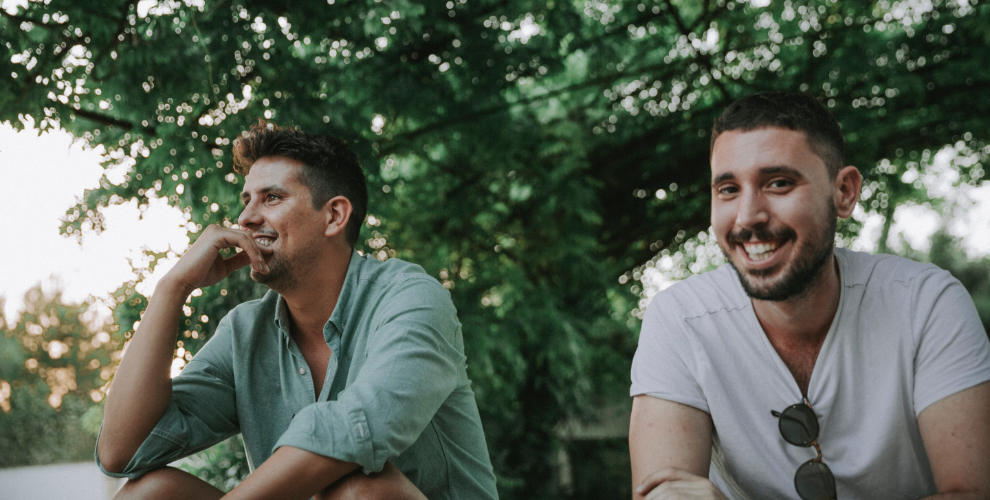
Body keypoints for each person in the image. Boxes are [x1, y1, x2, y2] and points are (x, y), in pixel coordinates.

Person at [96, 121, 499, 500]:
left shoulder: (411, 298)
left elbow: (356, 429)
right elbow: (124, 453)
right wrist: (171, 289)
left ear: (334, 216)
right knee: (151, 493)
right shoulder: (245, 332)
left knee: (362, 490)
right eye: (247, 200)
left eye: (272, 198)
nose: (246, 218)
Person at [629, 92, 990, 500]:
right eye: (728, 189)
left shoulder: (925, 304)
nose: (748, 217)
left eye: (779, 183)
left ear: (844, 192)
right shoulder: (681, 319)